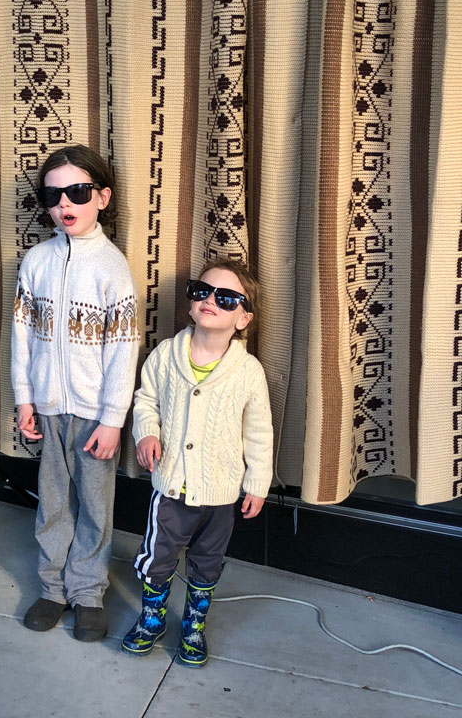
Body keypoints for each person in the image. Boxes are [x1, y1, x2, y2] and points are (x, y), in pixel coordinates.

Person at [11, 144, 139, 642]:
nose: (65, 204)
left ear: (102, 198)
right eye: (53, 194)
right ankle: (51, 587)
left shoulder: (112, 267)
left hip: (94, 416)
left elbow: (124, 349)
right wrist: (26, 399)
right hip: (48, 408)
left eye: (78, 192)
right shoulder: (36, 261)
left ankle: (87, 591)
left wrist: (113, 419)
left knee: (94, 504)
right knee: (53, 502)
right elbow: (21, 338)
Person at [121, 259, 273, 665]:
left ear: (243, 319)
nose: (210, 301)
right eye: (202, 291)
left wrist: (257, 483)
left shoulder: (248, 372)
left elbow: (258, 433)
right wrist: (147, 431)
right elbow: (146, 399)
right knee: (158, 556)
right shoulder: (165, 355)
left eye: (226, 298)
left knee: (207, 562)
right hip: (170, 485)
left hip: (220, 493)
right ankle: (152, 618)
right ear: (190, 304)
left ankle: (194, 624)